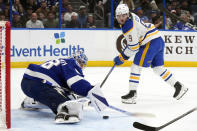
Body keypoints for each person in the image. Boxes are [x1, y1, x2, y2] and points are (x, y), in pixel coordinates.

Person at [113, 4, 188, 104]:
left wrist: (122, 57)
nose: (121, 18)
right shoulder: (132, 15)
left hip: (150, 43)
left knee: (135, 66)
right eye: (118, 16)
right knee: (158, 68)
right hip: (157, 39)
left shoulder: (128, 26)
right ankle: (178, 86)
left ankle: (132, 94)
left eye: (123, 15)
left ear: (127, 14)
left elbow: (134, 47)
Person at [21, 51, 109, 123]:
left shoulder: (61, 63)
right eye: (81, 63)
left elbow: (68, 88)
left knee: (58, 93)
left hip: (27, 83)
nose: (81, 67)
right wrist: (90, 90)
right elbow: (75, 82)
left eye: (83, 65)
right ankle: (66, 111)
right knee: (71, 104)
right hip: (41, 83)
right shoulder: (70, 62)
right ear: (76, 60)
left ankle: (31, 100)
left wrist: (86, 97)